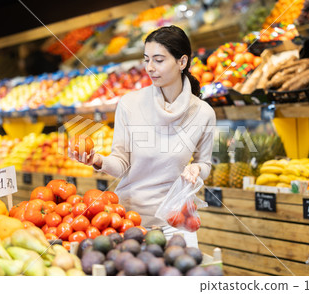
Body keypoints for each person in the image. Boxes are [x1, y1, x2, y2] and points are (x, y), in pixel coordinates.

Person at [74, 25, 216, 247]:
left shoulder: (203, 113)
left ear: (182, 62)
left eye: (158, 60)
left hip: (175, 223)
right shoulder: (130, 104)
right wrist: (97, 160)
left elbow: (204, 163)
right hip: (129, 222)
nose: (150, 68)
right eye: (146, 59)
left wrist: (197, 169)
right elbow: (121, 163)